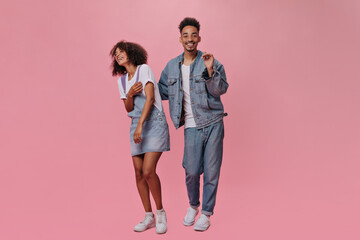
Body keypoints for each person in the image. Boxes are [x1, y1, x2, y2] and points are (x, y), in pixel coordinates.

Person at [158, 17, 228, 231]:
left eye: (193, 35)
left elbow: (220, 90)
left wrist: (209, 71)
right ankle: (193, 205)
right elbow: (161, 91)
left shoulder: (211, 61)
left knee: (211, 170)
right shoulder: (171, 66)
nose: (190, 39)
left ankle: (206, 213)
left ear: (199, 38)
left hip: (213, 121)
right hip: (190, 125)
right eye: (186, 35)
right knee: (191, 170)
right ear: (180, 39)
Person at [110, 41, 170, 234]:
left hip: (153, 122)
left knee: (148, 170)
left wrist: (141, 125)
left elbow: (150, 98)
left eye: (122, 51)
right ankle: (148, 216)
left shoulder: (144, 70)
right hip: (136, 124)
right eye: (116, 53)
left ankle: (160, 212)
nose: (118, 55)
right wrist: (129, 94)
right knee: (138, 173)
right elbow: (128, 108)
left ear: (131, 53)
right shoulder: (121, 81)